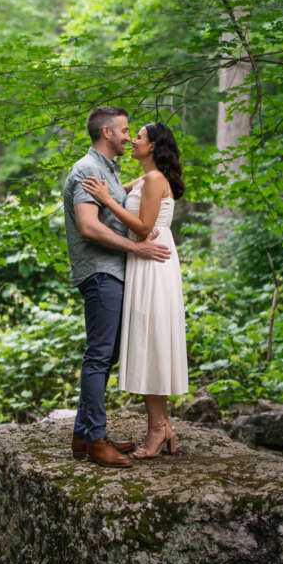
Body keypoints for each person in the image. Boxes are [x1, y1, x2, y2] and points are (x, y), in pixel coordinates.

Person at [62, 105, 171, 468]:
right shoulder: (87, 169)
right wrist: (136, 248)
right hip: (100, 272)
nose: (128, 136)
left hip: (115, 272)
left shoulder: (108, 170)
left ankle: (83, 435)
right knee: (99, 355)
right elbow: (88, 226)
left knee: (106, 355)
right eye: (124, 130)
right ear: (107, 132)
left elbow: (122, 203)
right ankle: (96, 440)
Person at [82, 121, 190, 458]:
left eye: (139, 137)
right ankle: (162, 425)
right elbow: (118, 192)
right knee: (147, 341)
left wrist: (105, 200)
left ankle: (157, 428)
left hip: (152, 262)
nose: (132, 141)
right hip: (142, 262)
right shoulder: (145, 179)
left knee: (151, 342)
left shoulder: (155, 179)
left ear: (153, 146)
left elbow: (143, 228)